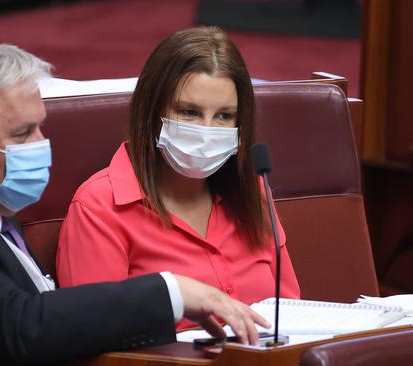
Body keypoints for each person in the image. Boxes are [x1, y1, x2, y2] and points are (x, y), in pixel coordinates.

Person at [0, 37, 270, 366]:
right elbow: (20, 328)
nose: (41, 145)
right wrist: (174, 292)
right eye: (22, 134)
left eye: (39, 127)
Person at [56, 26, 301, 330]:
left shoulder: (253, 190)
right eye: (189, 112)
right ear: (152, 111)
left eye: (224, 116)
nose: (206, 131)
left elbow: (289, 310)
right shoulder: (99, 207)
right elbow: (90, 333)